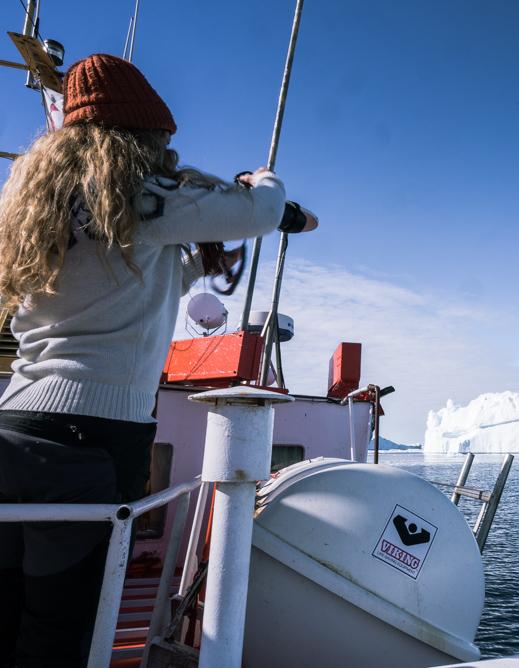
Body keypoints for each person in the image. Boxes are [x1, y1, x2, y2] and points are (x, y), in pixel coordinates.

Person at [0, 53, 313, 667]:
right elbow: (260, 213)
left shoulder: (38, 208)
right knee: (62, 628)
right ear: (142, 137)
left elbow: (113, 280)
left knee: (6, 614)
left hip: (13, 426)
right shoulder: (139, 192)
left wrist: (195, 265)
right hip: (94, 437)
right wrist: (262, 180)